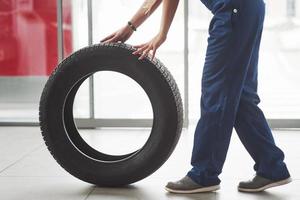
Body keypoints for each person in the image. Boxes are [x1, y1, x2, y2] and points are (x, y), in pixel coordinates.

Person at [100, 0, 292, 194]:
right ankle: (271, 167)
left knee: (216, 93)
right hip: (248, 9)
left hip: (234, 11)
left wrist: (157, 32)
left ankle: (204, 174)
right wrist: (132, 26)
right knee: (241, 95)